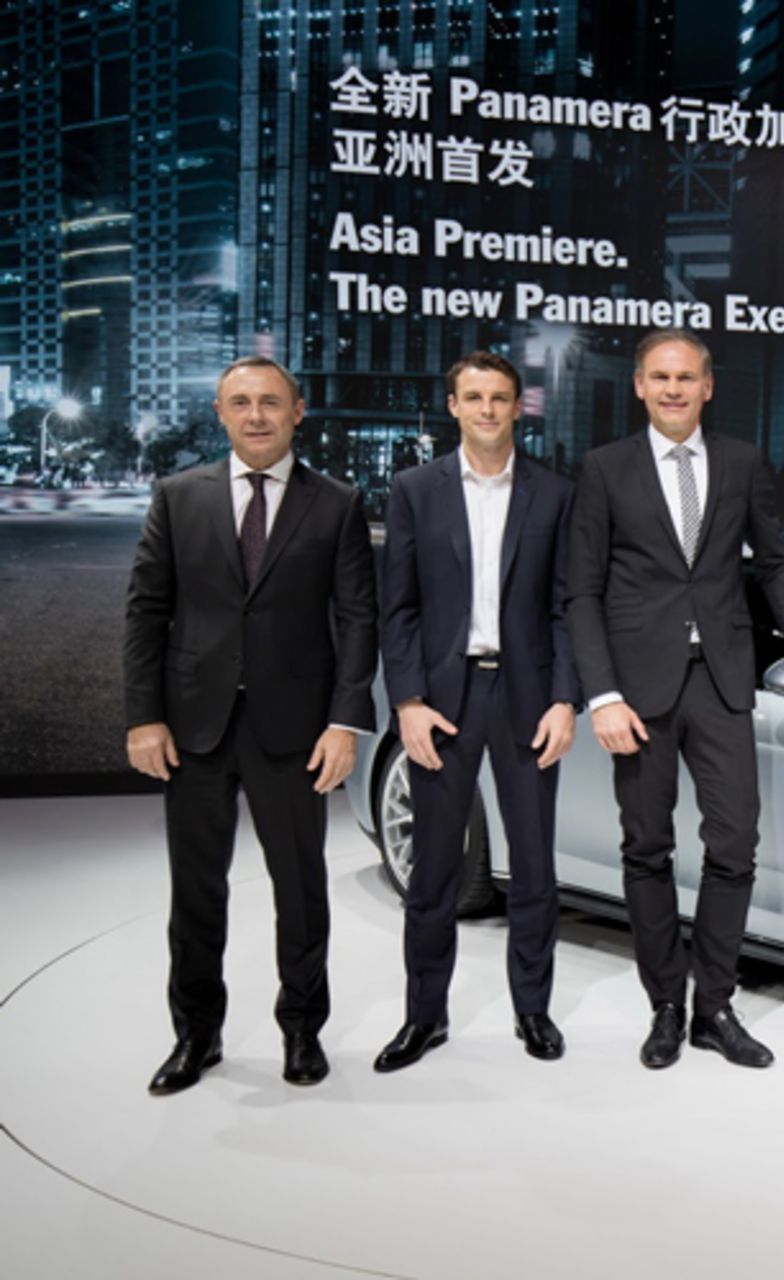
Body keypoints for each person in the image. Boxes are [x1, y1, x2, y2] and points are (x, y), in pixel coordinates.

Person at [566, 329, 784, 1069]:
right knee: (646, 847)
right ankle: (665, 1003)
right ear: (639, 385)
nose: (673, 389)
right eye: (660, 377)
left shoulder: (743, 462)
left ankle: (713, 1006)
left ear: (708, 387)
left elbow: (774, 565)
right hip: (637, 689)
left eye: (686, 378)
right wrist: (602, 694)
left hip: (721, 680)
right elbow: (581, 592)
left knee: (735, 844)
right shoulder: (604, 469)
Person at [125, 355, 377, 1092]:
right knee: (195, 893)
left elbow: (357, 620)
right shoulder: (178, 496)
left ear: (298, 411)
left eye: (271, 401)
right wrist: (144, 717)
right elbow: (146, 611)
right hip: (193, 727)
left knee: (299, 889)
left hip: (296, 731)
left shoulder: (337, 502)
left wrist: (345, 723)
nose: (257, 415)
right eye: (241, 402)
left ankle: (302, 1031)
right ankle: (196, 1036)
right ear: (220, 413)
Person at [373, 352, 579, 1070]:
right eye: (474, 396)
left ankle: (533, 1011)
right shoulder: (415, 490)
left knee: (534, 868)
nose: (487, 409)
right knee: (433, 871)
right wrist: (407, 701)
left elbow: (566, 607)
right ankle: (423, 1017)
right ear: (453, 406)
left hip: (528, 699)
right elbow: (398, 608)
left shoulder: (555, 493)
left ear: (519, 407)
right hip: (443, 700)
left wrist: (565, 699)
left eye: (499, 397)